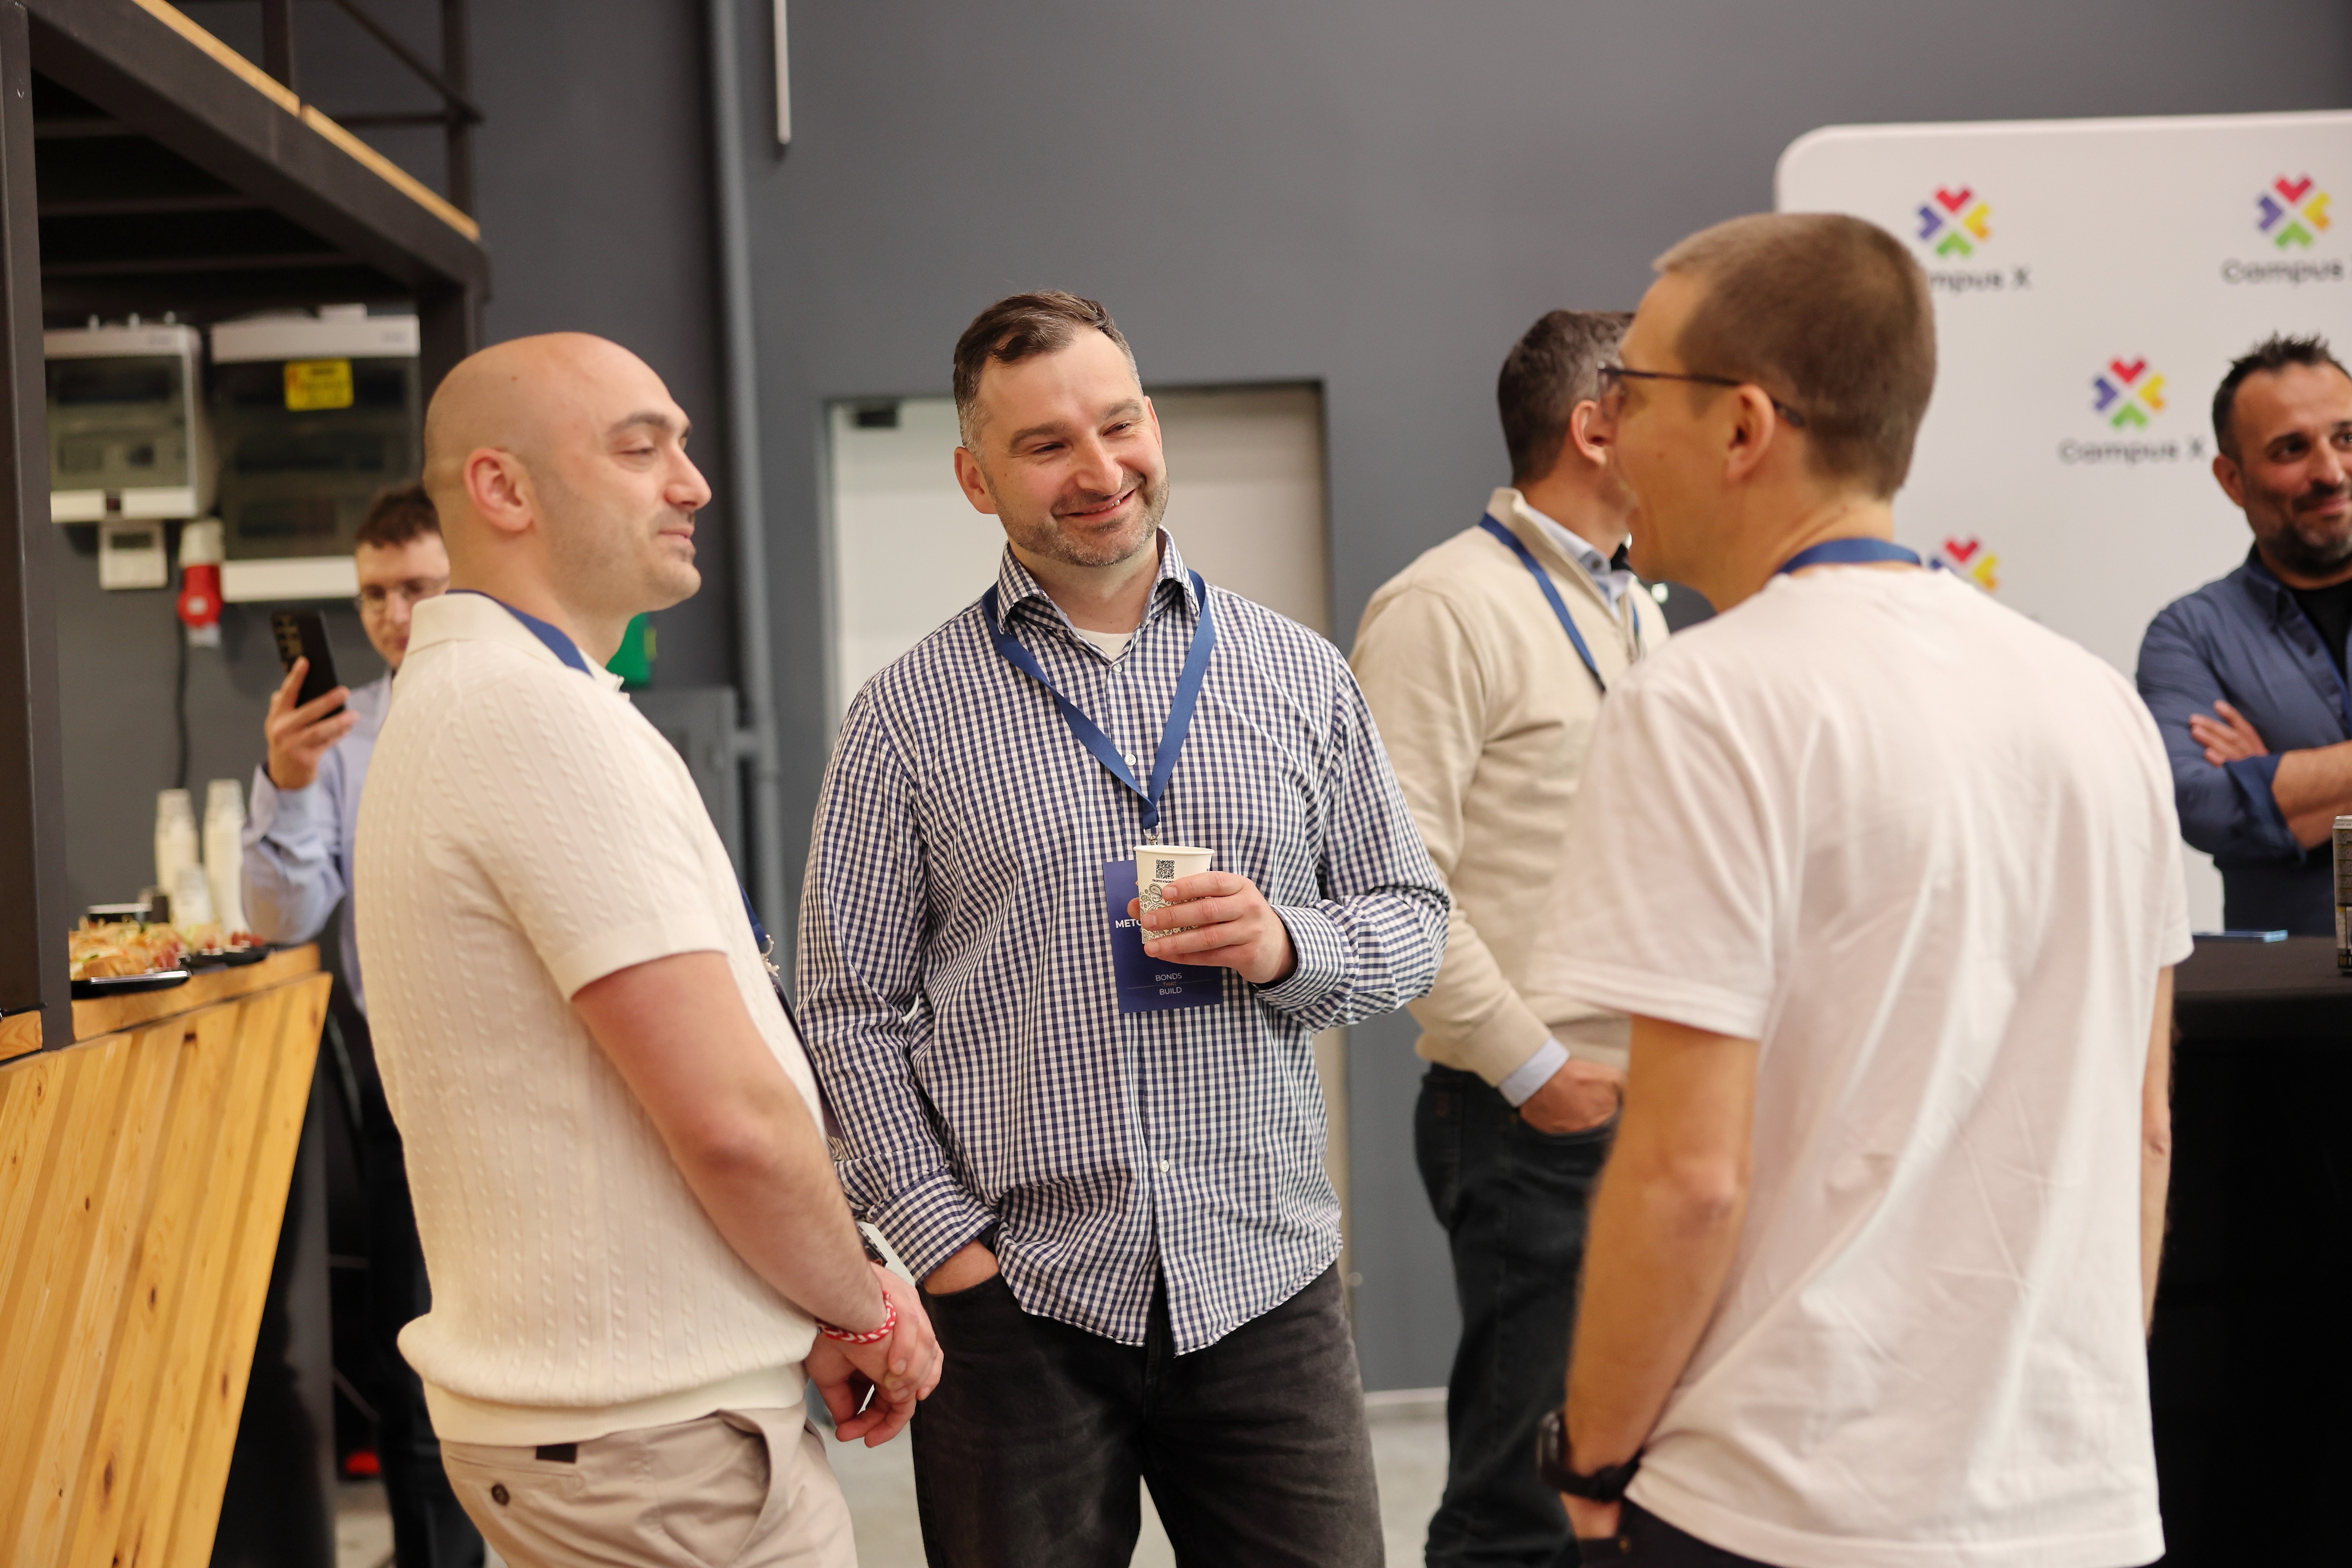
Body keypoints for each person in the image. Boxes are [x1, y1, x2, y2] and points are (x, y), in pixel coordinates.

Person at [1532, 214, 2187, 1568]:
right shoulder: (2096, 706)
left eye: (1631, 391)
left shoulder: (1705, 702)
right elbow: (2142, 1130)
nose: (1604, 432)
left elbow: (1685, 1177)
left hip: (1786, 1501)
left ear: (1742, 425)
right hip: (2074, 1499)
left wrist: (1588, 1457)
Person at [798, 290, 1448, 1568]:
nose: (1099, 471)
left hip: (1263, 1283)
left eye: (1119, 424)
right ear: (975, 479)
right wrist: (946, 1252)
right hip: (1018, 1307)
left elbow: (1412, 919)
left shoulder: (1296, 672)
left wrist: (1286, 946)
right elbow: (844, 1014)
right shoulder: (903, 718)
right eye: (1046, 445)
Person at [356, 332, 942, 1568]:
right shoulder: (532, 719)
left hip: (623, 1427)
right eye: (640, 449)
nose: (694, 483)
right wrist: (859, 1302)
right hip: (660, 1448)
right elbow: (731, 1120)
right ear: (503, 488)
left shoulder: (486, 698)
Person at [1351, 308, 1664, 1568]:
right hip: (1534, 1116)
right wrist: (1542, 1075)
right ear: (1595, 426)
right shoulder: (1443, 607)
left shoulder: (1634, 601)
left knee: (1623, 1484)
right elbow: (1392, 888)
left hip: (1645, 1100)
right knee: (1517, 1506)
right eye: (1671, 400)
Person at [242, 483, 477, 1568]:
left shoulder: (525, 703)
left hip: (533, 1080)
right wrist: (287, 782)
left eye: (418, 588)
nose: (393, 615)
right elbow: (282, 916)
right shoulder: (339, 737)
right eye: (374, 594)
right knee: (414, 1365)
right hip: (407, 1090)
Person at [2138, 333, 2352, 935]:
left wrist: (2271, 777)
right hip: (2285, 990)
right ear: (2232, 480)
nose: (2330, 471)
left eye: (2346, 438)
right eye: (2291, 450)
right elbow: (2200, 804)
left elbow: (2240, 801)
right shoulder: (2189, 635)